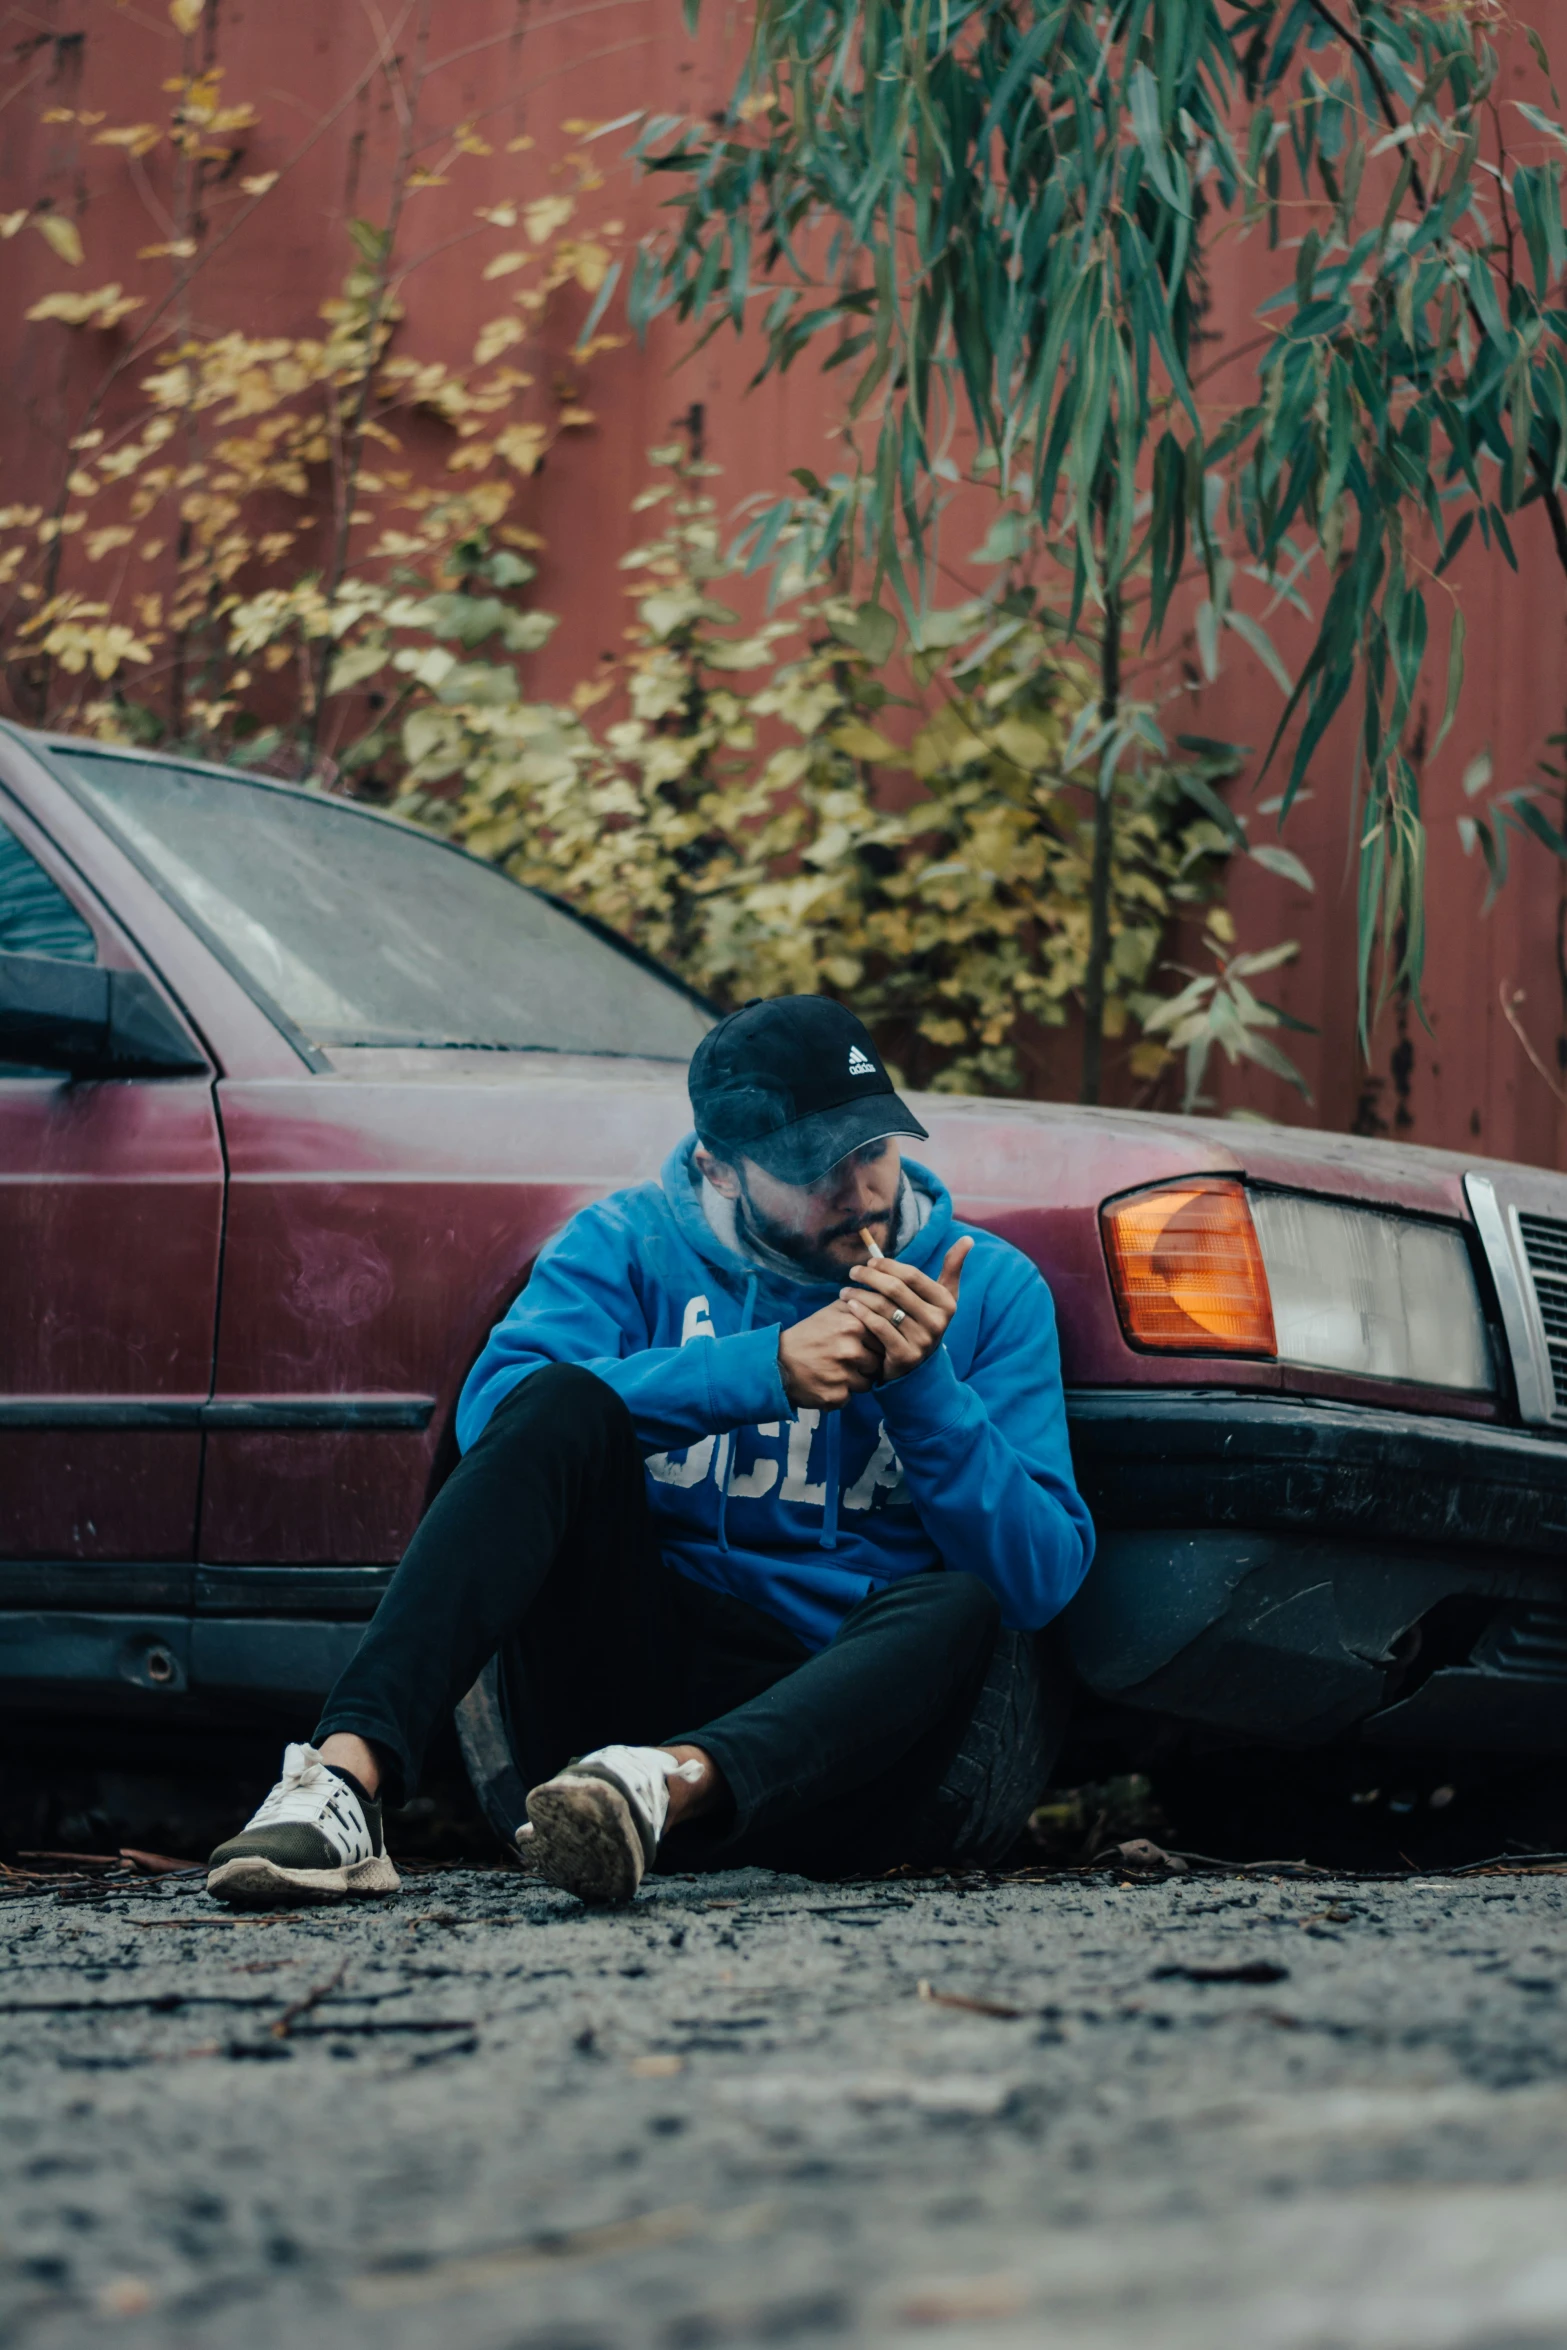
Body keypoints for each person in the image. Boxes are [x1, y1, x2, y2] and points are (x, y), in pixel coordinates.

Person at [206, 996, 1096, 1909]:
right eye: (810, 1169)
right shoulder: (625, 1244)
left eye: (870, 1150)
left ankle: (670, 1785)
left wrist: (923, 1389)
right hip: (612, 1705)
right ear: (719, 1167)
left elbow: (1039, 1580)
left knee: (961, 1597)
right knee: (553, 1396)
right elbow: (498, 1428)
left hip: (827, 1745)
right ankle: (343, 1786)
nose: (858, 1192)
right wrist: (759, 1370)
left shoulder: (985, 1287)